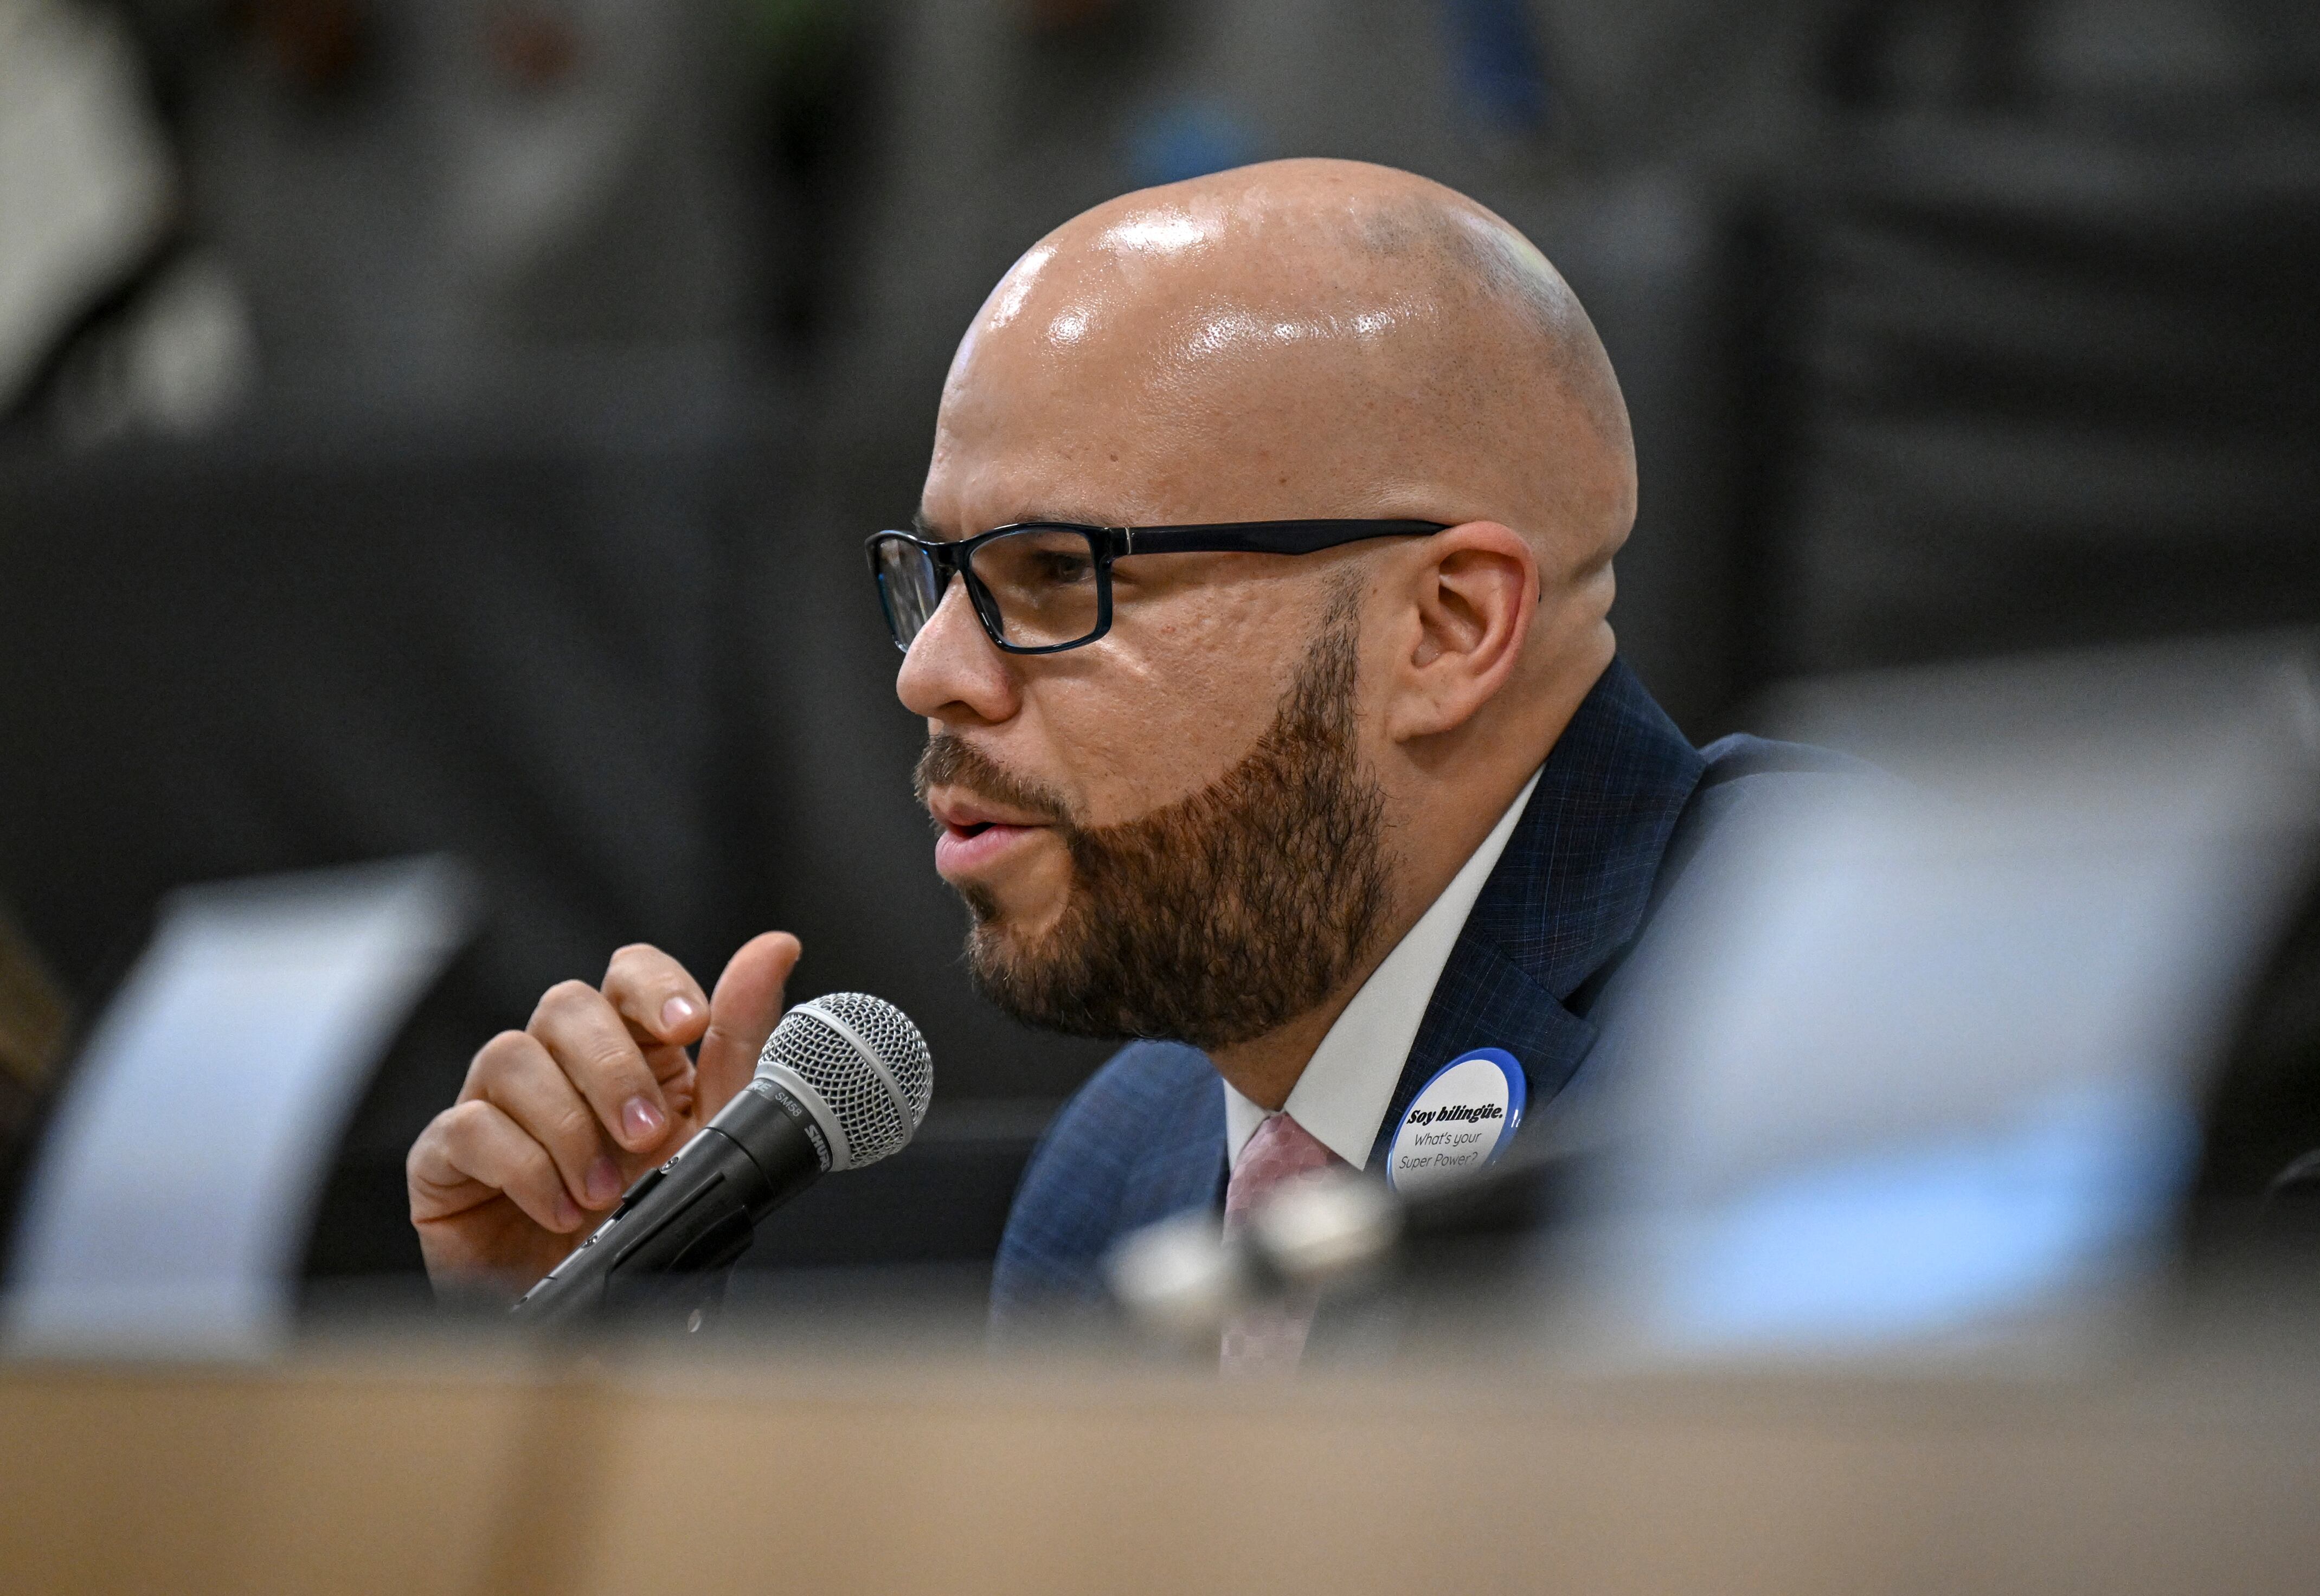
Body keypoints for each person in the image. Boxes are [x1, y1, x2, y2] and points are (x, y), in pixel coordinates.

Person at [405, 159, 1847, 1351]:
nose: (929, 674)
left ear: (1448, 629)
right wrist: (592, 1363)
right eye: (942, 575)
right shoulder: (1117, 1175)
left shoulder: (1827, 1008)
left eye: (1056, 576)